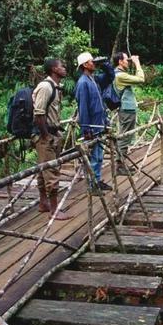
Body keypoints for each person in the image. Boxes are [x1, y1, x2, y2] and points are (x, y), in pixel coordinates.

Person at [32, 58, 68, 220]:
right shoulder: (46, 87)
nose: (64, 68)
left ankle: (44, 203)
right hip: (45, 135)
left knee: (43, 169)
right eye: (61, 66)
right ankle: (54, 210)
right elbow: (38, 114)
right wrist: (46, 136)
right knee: (51, 170)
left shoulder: (55, 87)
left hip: (52, 133)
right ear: (54, 69)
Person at [75, 51, 113, 195]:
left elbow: (110, 77)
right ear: (85, 65)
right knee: (94, 157)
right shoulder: (83, 83)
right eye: (91, 61)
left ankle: (96, 180)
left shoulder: (94, 79)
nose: (93, 63)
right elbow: (83, 108)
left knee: (99, 156)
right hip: (92, 127)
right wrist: (86, 129)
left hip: (99, 124)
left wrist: (105, 64)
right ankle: (92, 185)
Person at [113, 53, 145, 175]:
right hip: (126, 110)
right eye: (127, 60)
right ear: (120, 61)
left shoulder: (119, 74)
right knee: (124, 137)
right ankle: (119, 166)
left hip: (127, 109)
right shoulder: (120, 75)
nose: (128, 62)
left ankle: (122, 163)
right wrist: (137, 63)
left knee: (126, 136)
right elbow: (141, 79)